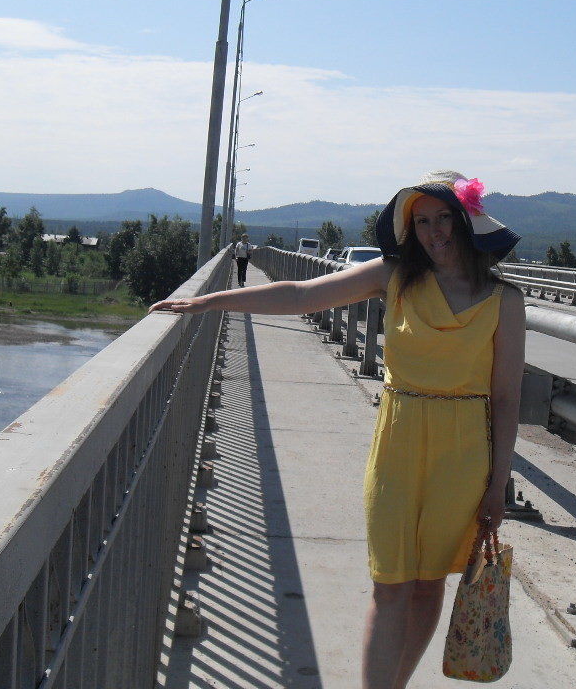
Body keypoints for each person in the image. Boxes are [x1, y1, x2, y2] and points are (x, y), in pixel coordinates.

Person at [149, 171, 526, 688]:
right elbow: (302, 294)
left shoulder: (504, 300)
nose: (434, 232)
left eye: (444, 218)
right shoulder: (395, 276)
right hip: (398, 441)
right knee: (390, 584)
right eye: (421, 222)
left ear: (466, 222)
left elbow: (506, 399)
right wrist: (210, 302)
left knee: (428, 584)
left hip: (462, 456)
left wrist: (497, 483)